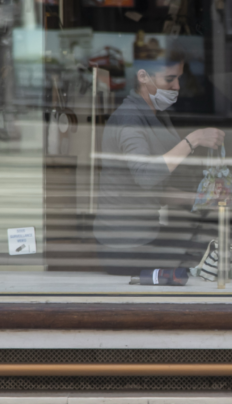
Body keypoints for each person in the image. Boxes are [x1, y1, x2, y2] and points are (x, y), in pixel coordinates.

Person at [93, 48, 224, 276]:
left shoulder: (157, 114)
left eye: (179, 79)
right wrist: (194, 139)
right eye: (170, 79)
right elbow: (146, 176)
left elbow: (153, 188)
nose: (177, 87)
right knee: (199, 263)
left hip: (146, 232)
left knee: (205, 249)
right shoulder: (129, 120)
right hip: (125, 244)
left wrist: (201, 200)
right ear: (143, 77)